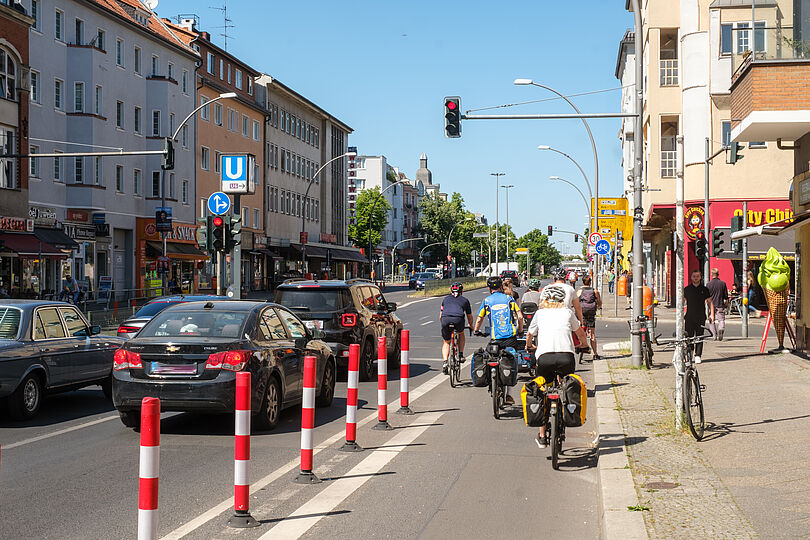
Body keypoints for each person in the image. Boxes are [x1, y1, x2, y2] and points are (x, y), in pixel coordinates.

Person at [525, 283, 588, 448]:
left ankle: (542, 435)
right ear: (562, 299)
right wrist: (583, 344)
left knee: (542, 390)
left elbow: (530, 334)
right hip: (566, 358)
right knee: (566, 385)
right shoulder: (567, 312)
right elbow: (579, 332)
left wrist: (530, 346)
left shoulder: (540, 313)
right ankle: (567, 412)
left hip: (544, 359)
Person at [473, 276, 524, 405]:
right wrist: (520, 330)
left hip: (495, 338)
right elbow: (520, 316)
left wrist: (476, 331)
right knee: (511, 360)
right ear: (501, 287)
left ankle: (492, 380)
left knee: (491, 358)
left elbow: (479, 319)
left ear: (489, 288)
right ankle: (509, 395)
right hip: (510, 336)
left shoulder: (487, 301)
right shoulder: (509, 299)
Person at [440, 282, 474, 374]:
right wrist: (471, 326)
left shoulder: (445, 299)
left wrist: (443, 324)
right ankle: (460, 355)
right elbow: (469, 316)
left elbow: (440, 315)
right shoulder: (465, 300)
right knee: (461, 333)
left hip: (445, 319)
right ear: (461, 291)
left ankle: (445, 362)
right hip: (458, 319)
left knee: (446, 342)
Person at [684, 269, 714, 364]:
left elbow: (710, 302)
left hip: (701, 316)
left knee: (700, 336)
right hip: (689, 316)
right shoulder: (687, 289)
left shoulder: (704, 289)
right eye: (694, 276)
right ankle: (690, 353)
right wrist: (680, 315)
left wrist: (712, 314)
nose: (696, 278)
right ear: (691, 277)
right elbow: (682, 302)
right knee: (689, 336)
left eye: (697, 276)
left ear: (700, 277)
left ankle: (698, 355)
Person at [577, 275, 602, 360]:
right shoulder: (595, 291)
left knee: (581, 331)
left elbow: (576, 301)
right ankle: (595, 354)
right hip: (591, 313)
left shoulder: (580, 291)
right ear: (590, 282)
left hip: (582, 313)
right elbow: (599, 302)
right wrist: (598, 307)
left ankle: (582, 345)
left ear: (583, 282)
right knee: (592, 334)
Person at [707, 268, 729, 341]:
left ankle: (714, 336)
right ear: (718, 274)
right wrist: (726, 302)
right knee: (721, 319)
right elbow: (726, 296)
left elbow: (706, 296)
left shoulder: (708, 284)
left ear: (711, 274)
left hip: (711, 305)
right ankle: (721, 329)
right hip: (720, 304)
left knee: (711, 320)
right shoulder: (723, 283)